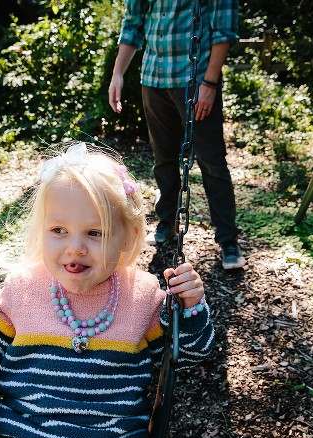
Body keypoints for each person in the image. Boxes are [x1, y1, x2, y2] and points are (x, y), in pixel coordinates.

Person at [0, 142, 214, 438]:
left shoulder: (143, 295)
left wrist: (190, 305)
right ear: (42, 231)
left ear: (128, 238)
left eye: (95, 233)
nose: (75, 248)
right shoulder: (22, 290)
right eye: (59, 229)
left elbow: (191, 355)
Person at [108, 0, 245, 270]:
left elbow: (223, 32)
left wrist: (210, 82)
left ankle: (228, 240)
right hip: (153, 78)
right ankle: (167, 222)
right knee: (163, 159)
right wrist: (118, 74)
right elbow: (133, 23)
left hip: (195, 80)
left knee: (211, 161)